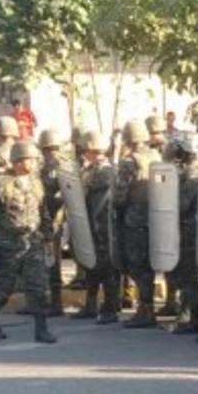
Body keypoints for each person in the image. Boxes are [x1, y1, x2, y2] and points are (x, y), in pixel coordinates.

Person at [0, 141, 56, 344]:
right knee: (3, 287)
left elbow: (43, 211)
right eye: (26, 160)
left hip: (32, 242)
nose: (30, 163)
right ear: (16, 161)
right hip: (6, 244)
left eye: (32, 159)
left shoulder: (36, 182)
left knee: (38, 287)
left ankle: (41, 329)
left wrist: (48, 237)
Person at [72, 131, 120, 324]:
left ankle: (110, 308)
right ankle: (91, 305)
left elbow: (81, 185)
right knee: (92, 267)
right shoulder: (94, 169)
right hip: (93, 225)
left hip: (103, 228)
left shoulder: (104, 171)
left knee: (106, 269)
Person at [115, 120, 157, 328]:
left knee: (138, 265)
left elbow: (120, 193)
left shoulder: (130, 162)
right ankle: (148, 308)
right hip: (156, 217)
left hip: (134, 217)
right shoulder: (156, 157)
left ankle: (146, 310)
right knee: (149, 264)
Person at [168, 133, 198, 335]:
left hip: (190, 233)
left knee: (190, 277)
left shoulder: (191, 177)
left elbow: (181, 204)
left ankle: (195, 319)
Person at [37, 128, 67, 316]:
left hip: (52, 219)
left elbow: (56, 194)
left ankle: (56, 303)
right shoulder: (59, 164)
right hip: (51, 218)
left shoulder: (55, 167)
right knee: (49, 260)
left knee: (51, 260)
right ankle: (52, 300)